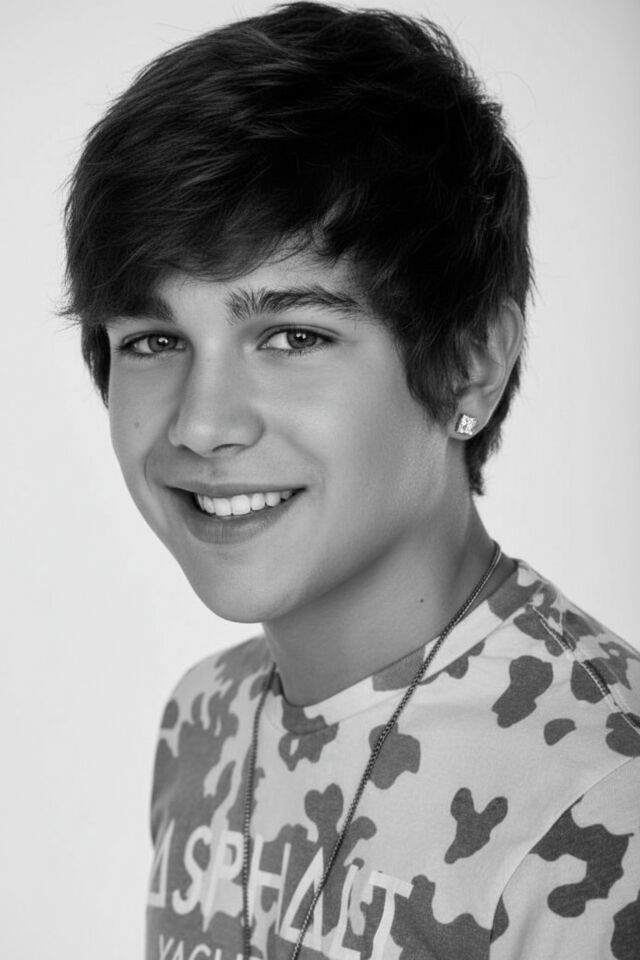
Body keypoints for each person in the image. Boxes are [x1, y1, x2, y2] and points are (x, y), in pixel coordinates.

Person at [62, 3, 640, 958]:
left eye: (294, 335)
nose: (201, 423)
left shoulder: (602, 792)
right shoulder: (205, 719)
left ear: (470, 364)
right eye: (155, 341)